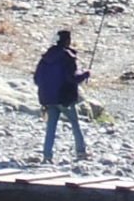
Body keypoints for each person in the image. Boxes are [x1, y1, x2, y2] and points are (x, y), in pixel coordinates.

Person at [34, 29, 91, 163]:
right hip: (64, 98)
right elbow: (72, 78)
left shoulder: (45, 57)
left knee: (51, 127)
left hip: (48, 99)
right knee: (75, 125)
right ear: (67, 41)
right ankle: (81, 152)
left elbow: (37, 79)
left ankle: (47, 156)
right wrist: (85, 74)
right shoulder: (68, 57)